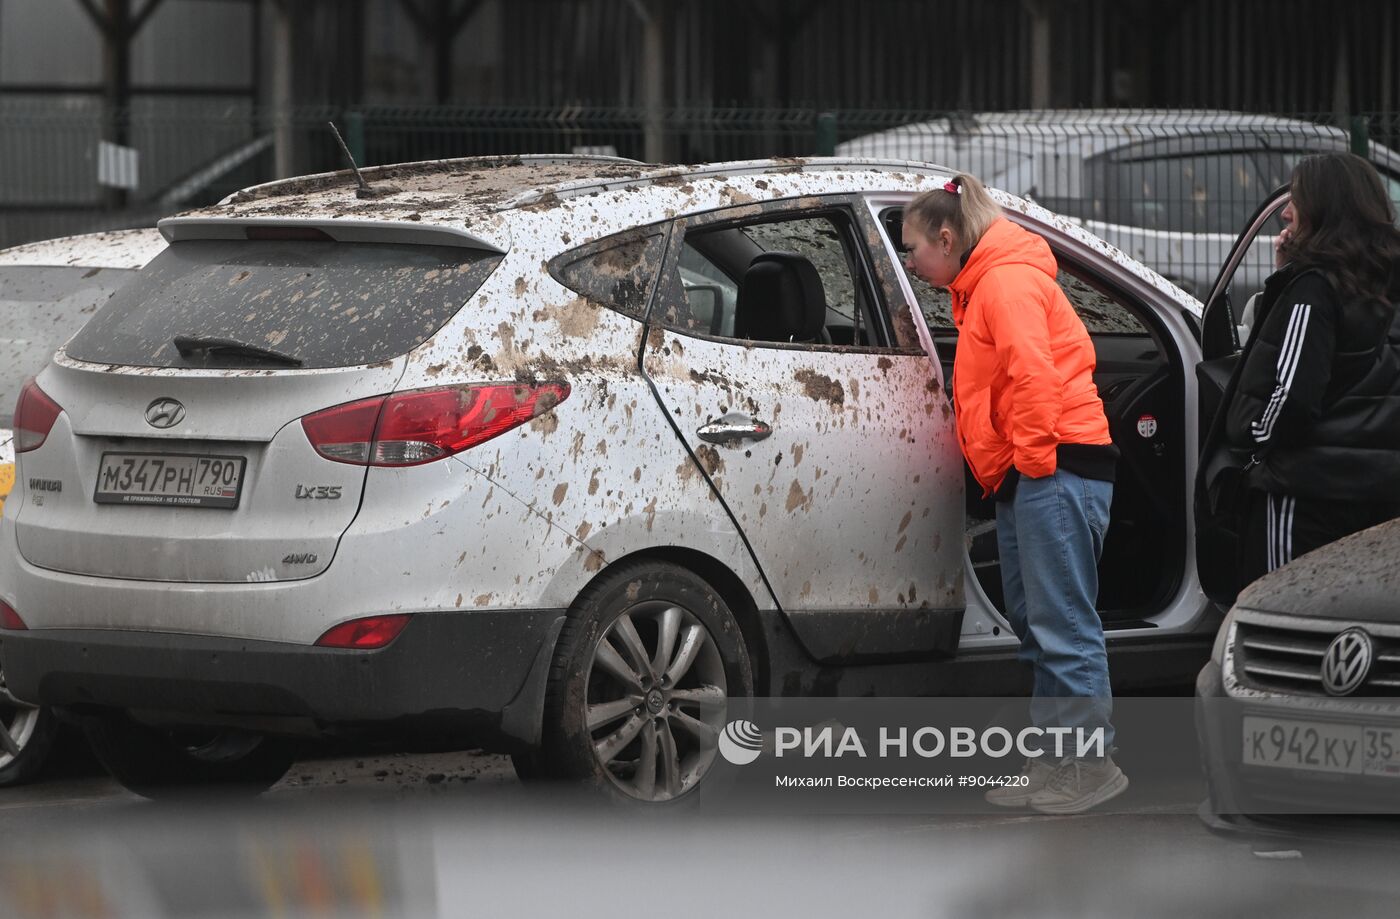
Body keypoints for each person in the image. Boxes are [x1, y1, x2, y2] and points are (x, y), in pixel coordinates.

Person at [902, 174, 1126, 814]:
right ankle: (1056, 760)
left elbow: (1033, 377)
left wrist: (1029, 464)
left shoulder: (1002, 283)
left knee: (1062, 624)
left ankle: (1090, 765)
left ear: (948, 238)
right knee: (1038, 624)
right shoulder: (980, 287)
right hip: (1034, 474)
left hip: (1054, 470)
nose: (912, 264)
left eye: (915, 250)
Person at [1224, 152, 1400, 582]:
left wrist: (1256, 440)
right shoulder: (1382, 281)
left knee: (1282, 607)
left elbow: (1292, 392)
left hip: (1307, 491)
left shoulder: (1313, 288)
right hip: (1381, 490)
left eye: (1296, 199)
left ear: (1325, 207)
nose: (1285, 210)